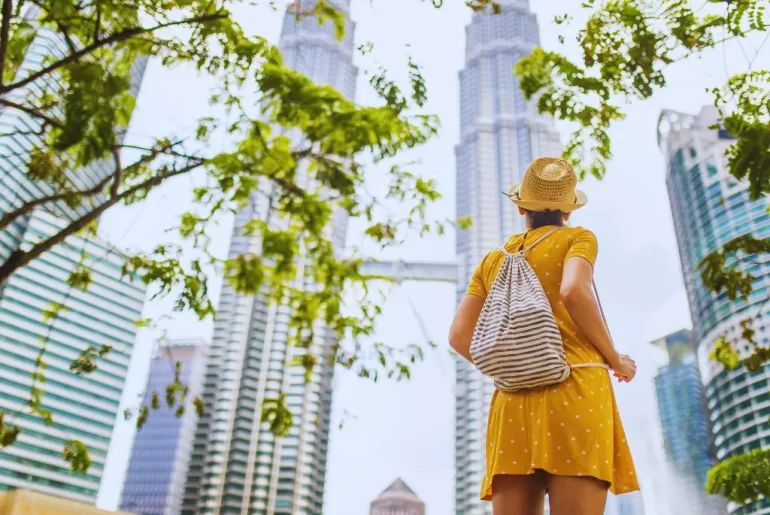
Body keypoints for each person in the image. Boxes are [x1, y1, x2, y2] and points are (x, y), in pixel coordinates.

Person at [449, 157, 640, 515]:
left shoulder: (493, 261)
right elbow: (574, 291)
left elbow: (459, 337)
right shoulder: (577, 238)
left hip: (512, 403)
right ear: (567, 212)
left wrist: (519, 366)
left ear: (521, 207)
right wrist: (616, 359)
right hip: (577, 386)